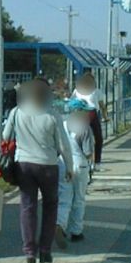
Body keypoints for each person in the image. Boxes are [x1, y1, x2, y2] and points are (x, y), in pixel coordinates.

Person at [3, 80, 74, 263]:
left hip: (24, 165)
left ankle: (29, 252)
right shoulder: (52, 115)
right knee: (50, 207)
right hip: (48, 166)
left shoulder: (17, 112)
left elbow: (5, 136)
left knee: (28, 207)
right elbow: (63, 145)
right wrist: (69, 167)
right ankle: (45, 251)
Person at [55, 99, 95, 248]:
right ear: (79, 111)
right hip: (80, 164)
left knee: (64, 198)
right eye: (85, 110)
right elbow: (88, 152)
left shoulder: (62, 125)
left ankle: (59, 225)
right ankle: (76, 231)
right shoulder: (84, 128)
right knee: (78, 199)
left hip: (63, 164)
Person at [72, 73, 108, 170]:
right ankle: (95, 162)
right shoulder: (95, 91)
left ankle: (88, 161)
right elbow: (102, 106)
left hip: (82, 114)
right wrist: (106, 117)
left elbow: (72, 103)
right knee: (98, 138)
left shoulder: (78, 90)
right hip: (89, 114)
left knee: (80, 137)